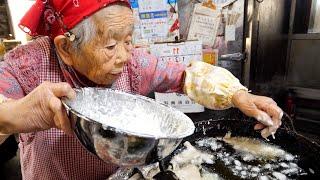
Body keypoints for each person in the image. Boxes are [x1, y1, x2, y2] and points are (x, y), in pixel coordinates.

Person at [0, 0, 282, 179]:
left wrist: (240, 96)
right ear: (65, 47)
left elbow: (186, 76)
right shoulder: (26, 65)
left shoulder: (134, 64)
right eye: (111, 46)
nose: (124, 56)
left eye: (128, 40)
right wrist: (18, 114)